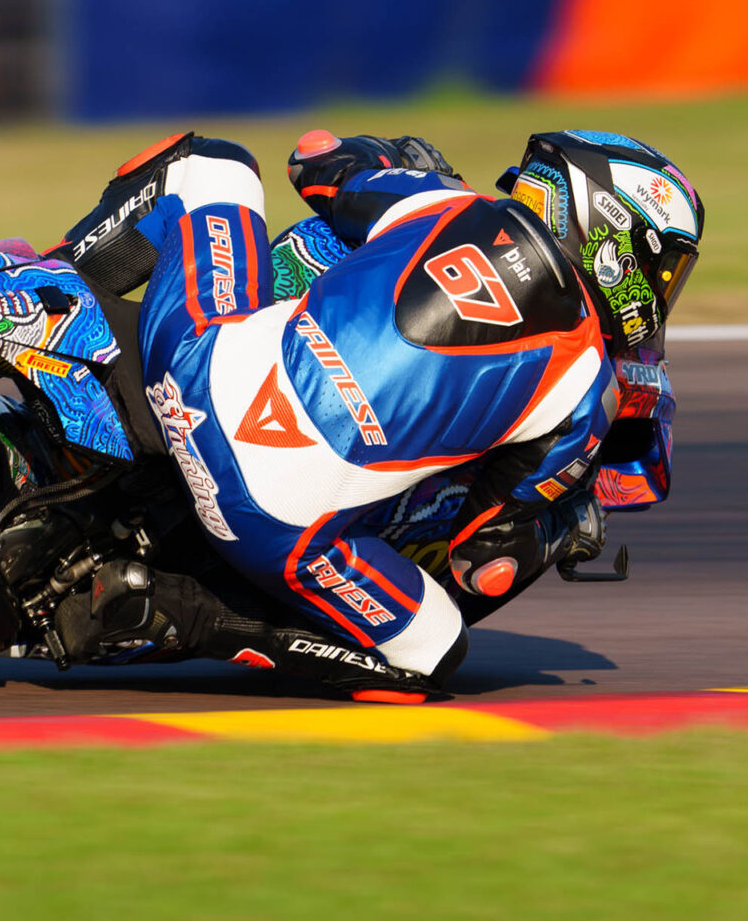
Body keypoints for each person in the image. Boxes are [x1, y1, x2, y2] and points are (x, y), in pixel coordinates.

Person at [50, 128, 704, 701]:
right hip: (271, 524)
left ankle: (54, 280)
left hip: (192, 373)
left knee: (213, 164)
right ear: (617, 242)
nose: (662, 290)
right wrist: (562, 522)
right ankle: (178, 614)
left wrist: (389, 159)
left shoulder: (444, 202)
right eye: (666, 268)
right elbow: (483, 557)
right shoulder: (588, 390)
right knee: (432, 651)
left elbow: (315, 162)